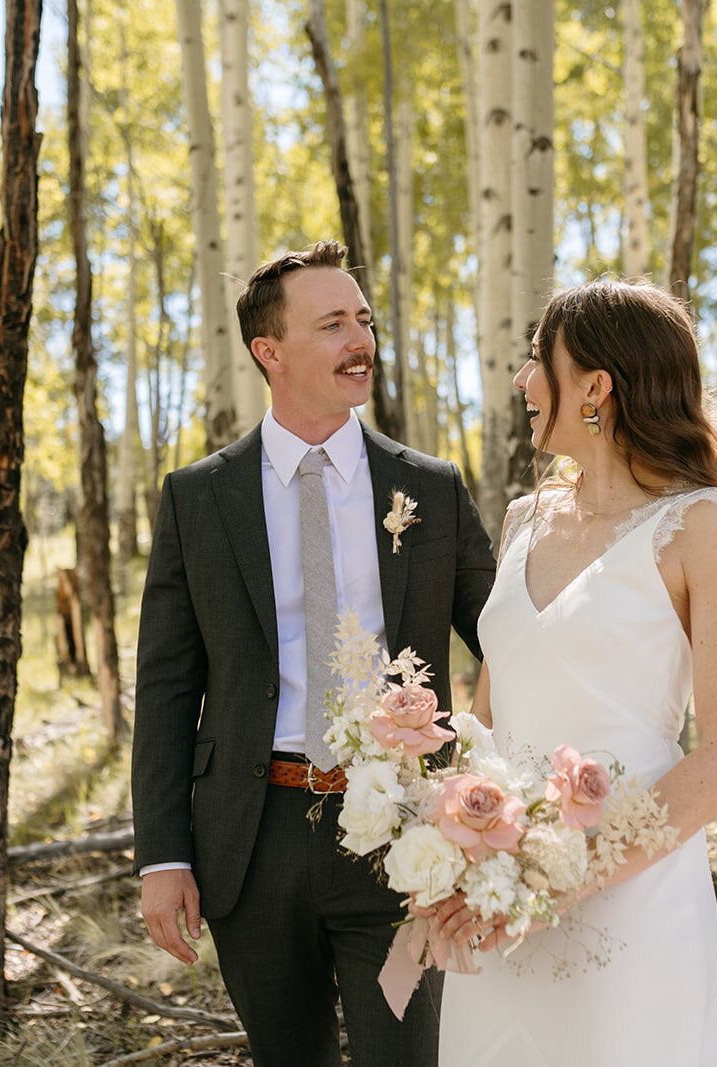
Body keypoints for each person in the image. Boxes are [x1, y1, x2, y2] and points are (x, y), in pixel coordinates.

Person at [131, 240, 496, 1066]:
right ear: (271, 351)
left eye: (362, 320)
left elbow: (504, 638)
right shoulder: (199, 497)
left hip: (402, 845)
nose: (359, 340)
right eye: (332, 324)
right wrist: (162, 854)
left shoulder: (428, 488)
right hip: (249, 841)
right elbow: (165, 686)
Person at [433, 279, 717, 1065]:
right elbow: (488, 717)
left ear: (595, 386)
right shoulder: (524, 517)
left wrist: (553, 881)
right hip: (500, 895)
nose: (521, 382)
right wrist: (457, 846)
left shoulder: (706, 523)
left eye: (534, 360)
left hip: (633, 899)